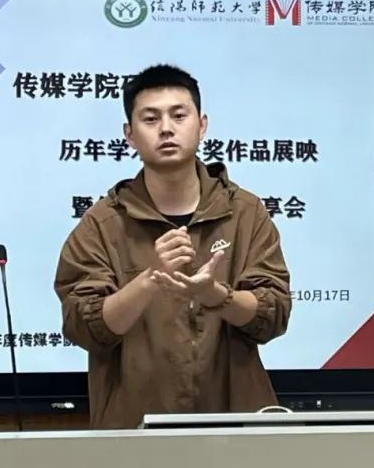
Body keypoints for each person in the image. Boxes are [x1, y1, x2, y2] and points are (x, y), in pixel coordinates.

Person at [54, 64, 292, 429]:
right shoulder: (102, 224)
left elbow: (273, 316)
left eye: (179, 116)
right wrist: (150, 278)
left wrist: (215, 295)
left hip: (237, 431)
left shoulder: (245, 212)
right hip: (134, 433)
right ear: (129, 135)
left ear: (202, 125)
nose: (166, 128)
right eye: (150, 119)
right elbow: (84, 328)